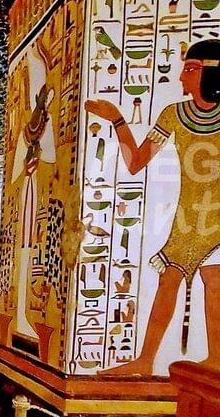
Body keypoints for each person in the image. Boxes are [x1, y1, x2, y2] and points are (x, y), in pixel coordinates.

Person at [86, 39, 220, 375]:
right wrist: (118, 120)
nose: (182, 77)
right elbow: (136, 162)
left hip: (217, 219)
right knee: (168, 281)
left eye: (191, 70)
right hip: (189, 219)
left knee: (214, 281)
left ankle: (216, 359)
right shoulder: (174, 114)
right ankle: (145, 361)